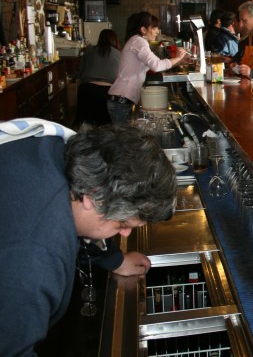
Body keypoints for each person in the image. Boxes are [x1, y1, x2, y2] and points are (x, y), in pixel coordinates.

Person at [0, 119, 177, 356]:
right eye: (122, 224)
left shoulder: (59, 149)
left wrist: (114, 259)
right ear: (93, 198)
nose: (125, 233)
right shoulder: (35, 258)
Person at [107, 12, 188, 124]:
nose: (157, 32)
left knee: (124, 134)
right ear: (143, 30)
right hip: (121, 101)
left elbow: (156, 66)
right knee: (122, 135)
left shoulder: (136, 41)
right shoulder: (138, 41)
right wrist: (178, 57)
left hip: (121, 101)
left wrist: (179, 61)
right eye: (154, 28)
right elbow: (157, 65)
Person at [75, 28, 121, 127]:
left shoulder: (89, 50)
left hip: (86, 90)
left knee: (86, 125)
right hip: (107, 93)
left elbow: (80, 76)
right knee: (106, 126)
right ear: (115, 40)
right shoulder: (119, 54)